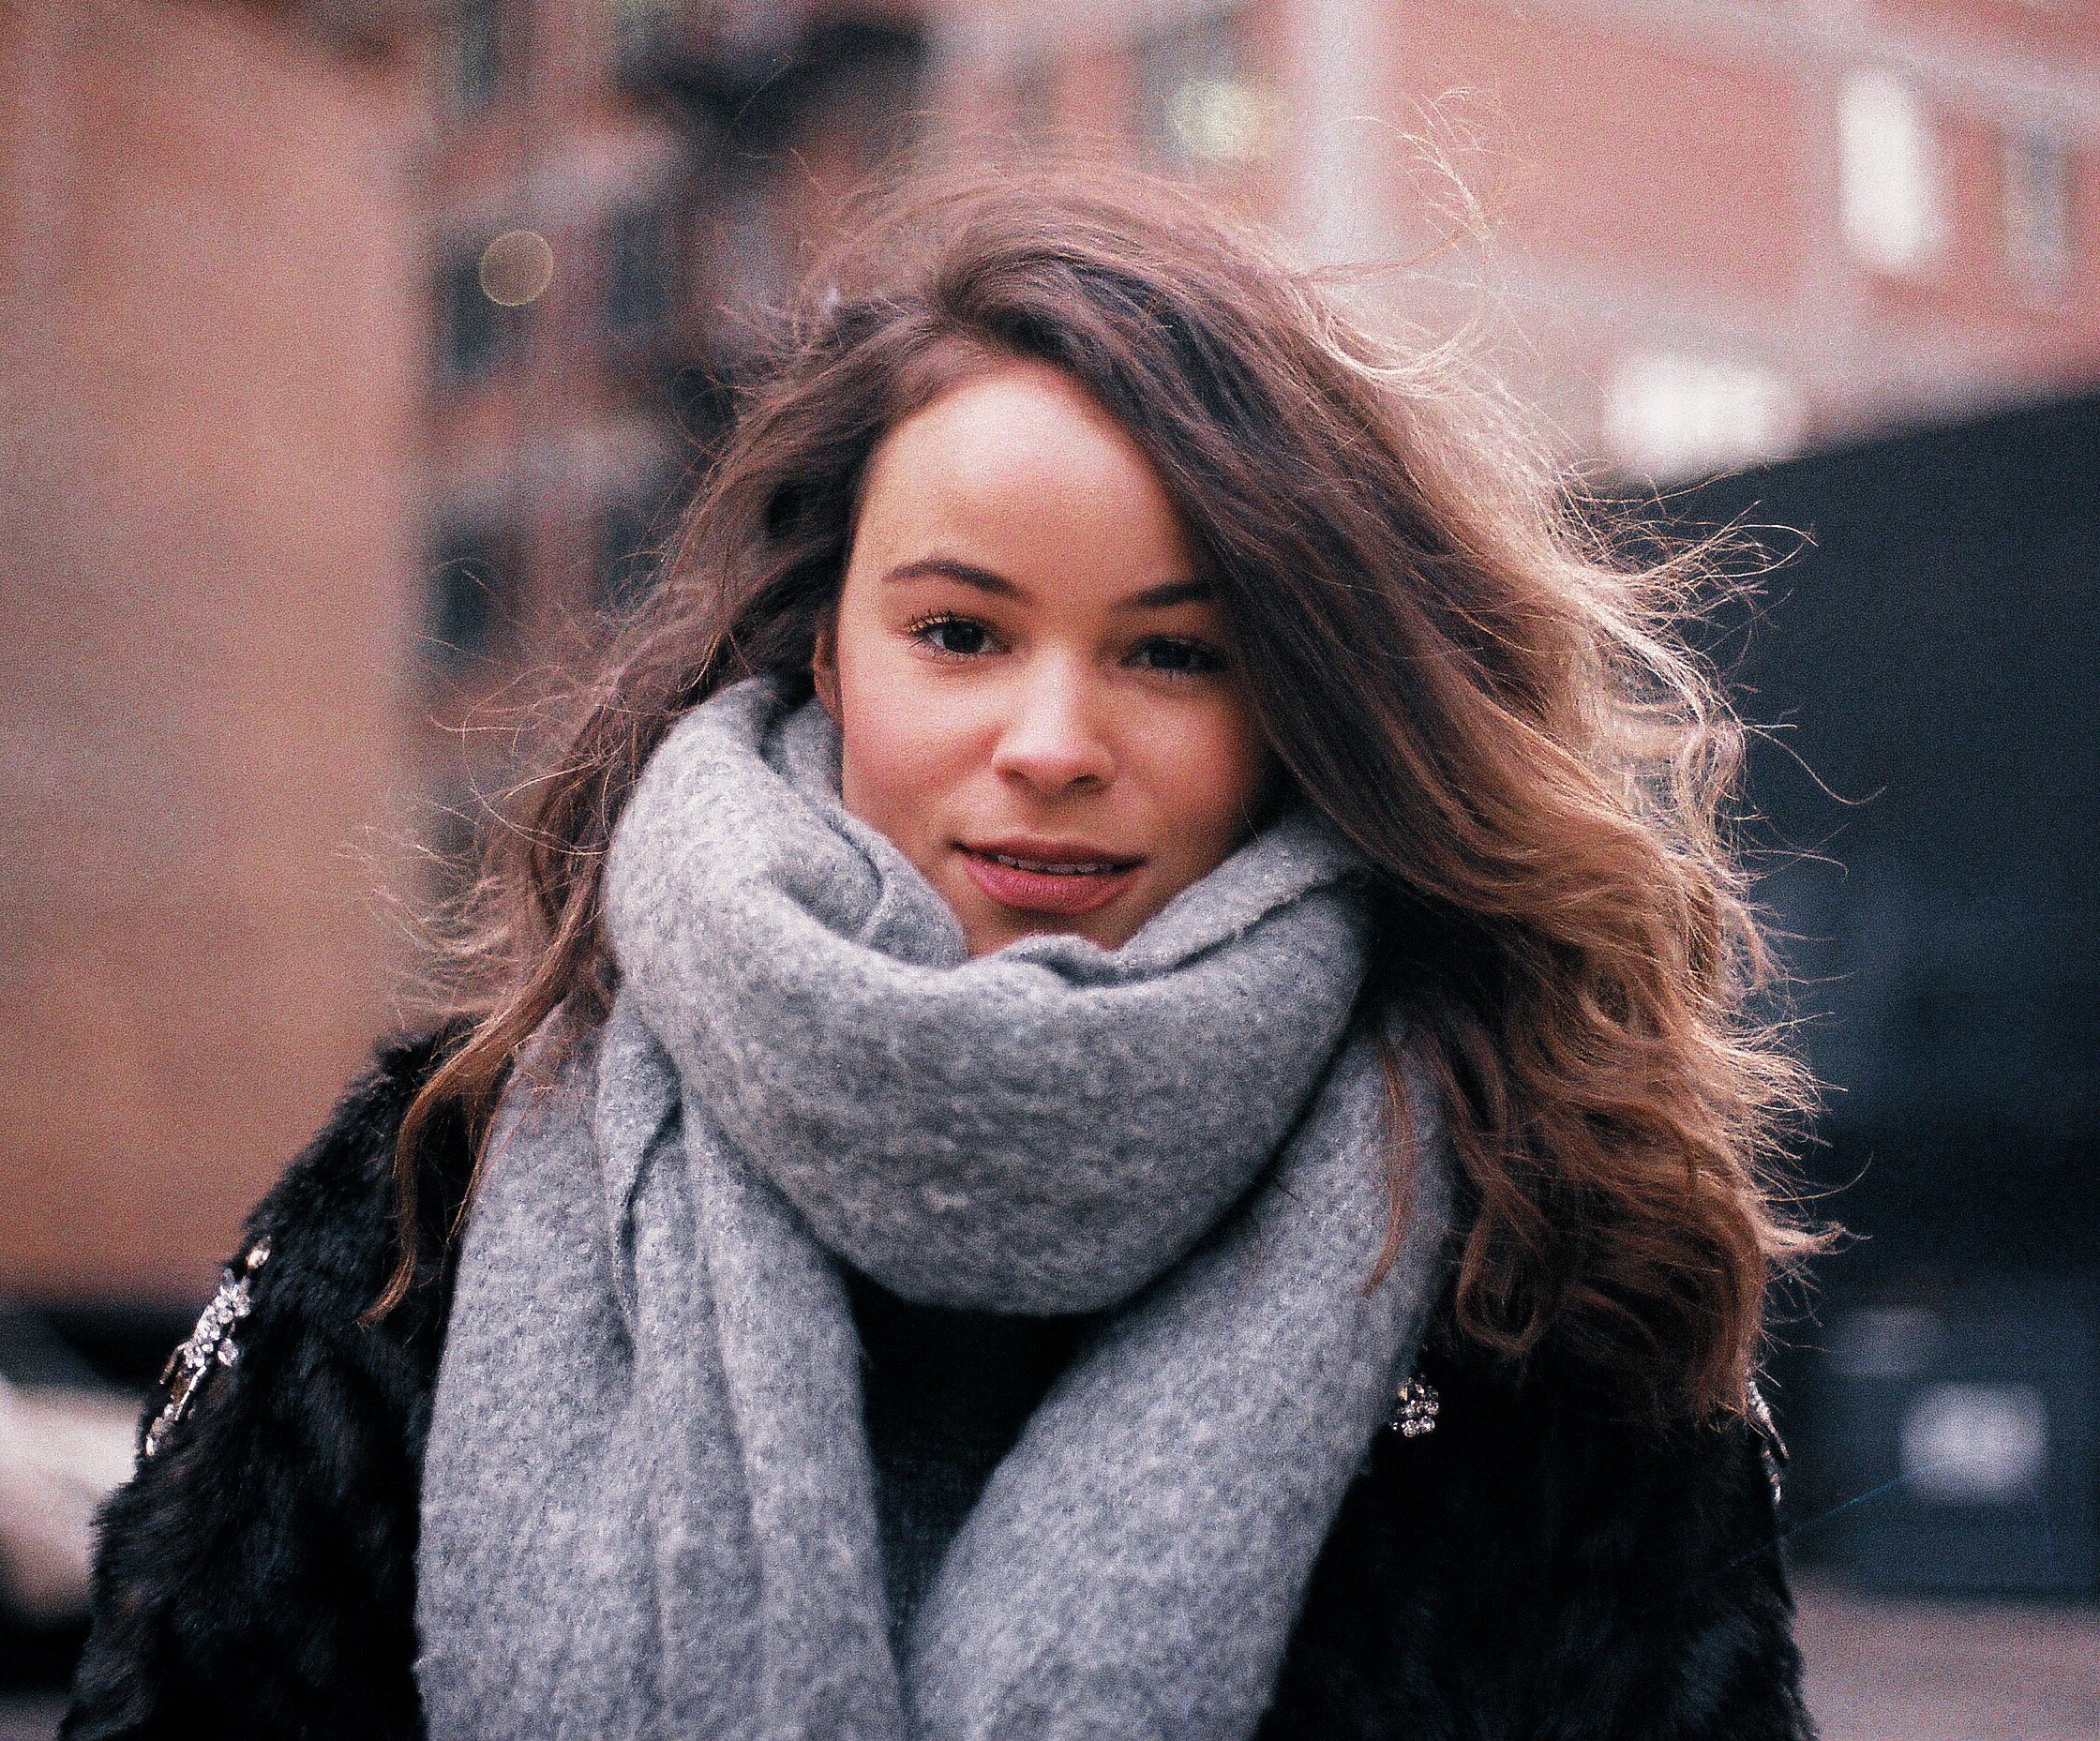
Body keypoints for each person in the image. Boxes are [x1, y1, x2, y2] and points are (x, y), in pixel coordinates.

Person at [64, 166, 1823, 1740]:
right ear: (829, 657)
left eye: (1176, 655)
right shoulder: (423, 1198)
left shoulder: (1542, 1235)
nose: (1053, 741)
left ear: (1305, 703)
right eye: (962, 631)